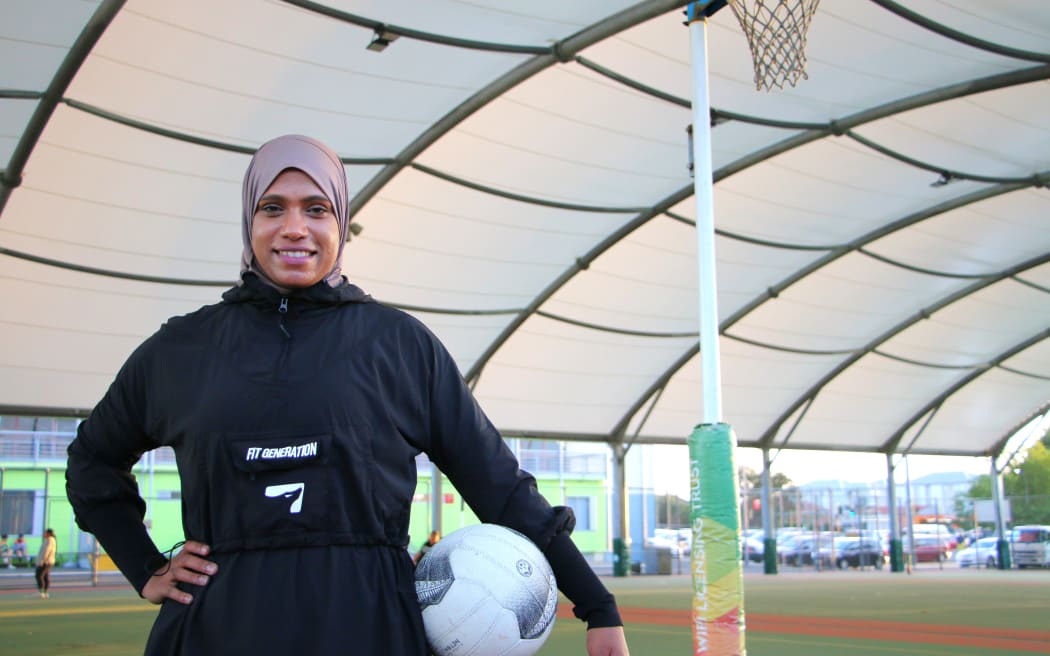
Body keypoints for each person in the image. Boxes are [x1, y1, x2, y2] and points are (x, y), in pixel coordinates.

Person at [66, 134, 630, 656]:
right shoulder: (181, 350)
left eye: (316, 208)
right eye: (272, 208)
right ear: (248, 220)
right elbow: (92, 461)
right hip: (219, 626)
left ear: (342, 221)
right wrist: (145, 566)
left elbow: (499, 487)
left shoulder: (399, 345)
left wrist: (597, 606)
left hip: (368, 624)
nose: (294, 227)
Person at [35, 528, 56, 598]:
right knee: (45, 576)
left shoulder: (50, 540)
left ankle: (42, 591)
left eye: (45, 533)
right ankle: (45, 592)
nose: (44, 534)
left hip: (46, 561)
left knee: (39, 575)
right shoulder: (49, 540)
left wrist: (42, 560)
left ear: (49, 533)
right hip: (48, 561)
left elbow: (46, 551)